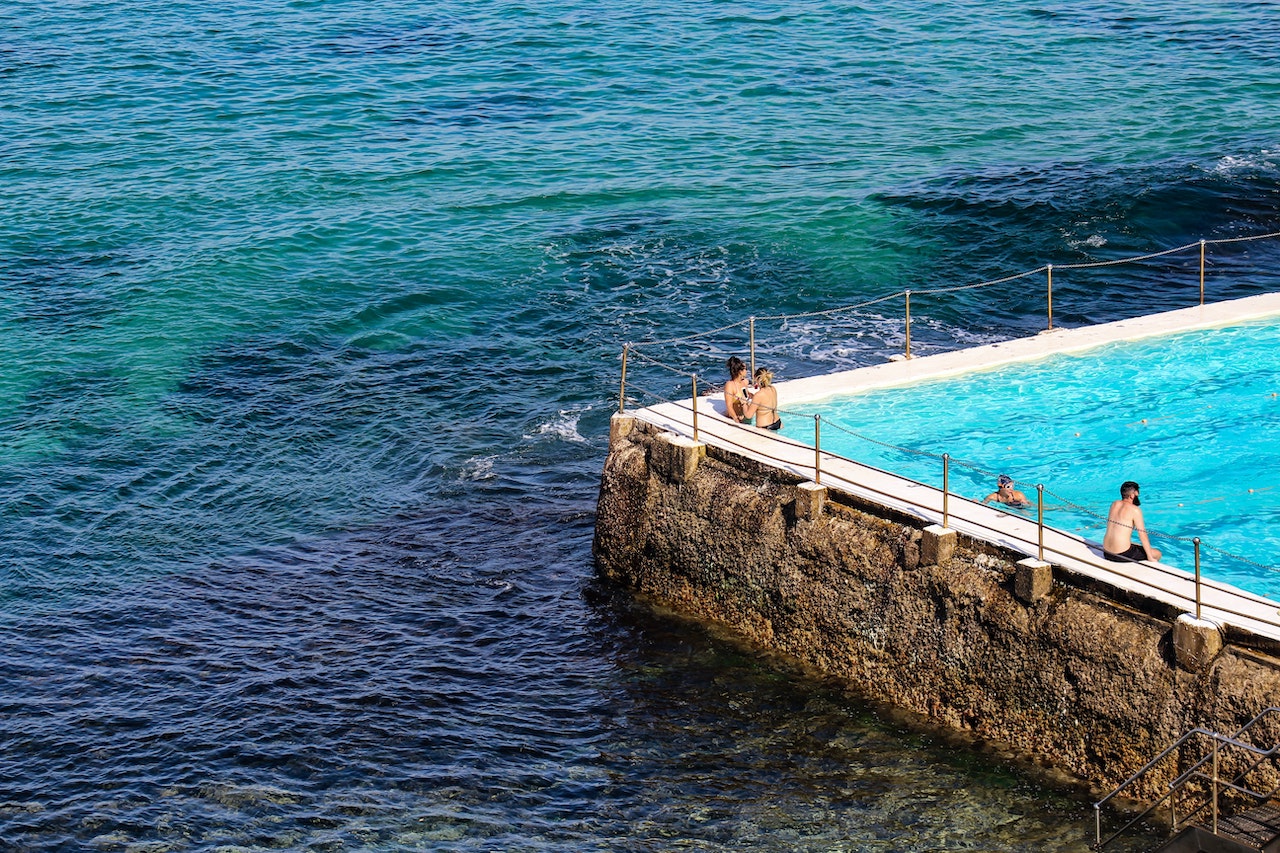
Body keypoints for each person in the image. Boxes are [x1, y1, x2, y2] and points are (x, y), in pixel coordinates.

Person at [1102, 480, 1162, 563]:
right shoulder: (1135, 510)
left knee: (1136, 544)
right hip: (1121, 555)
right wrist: (1150, 557)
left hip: (1106, 552)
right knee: (1157, 553)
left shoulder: (1114, 504)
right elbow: (1142, 535)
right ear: (1133, 495)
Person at [723, 356, 750, 423]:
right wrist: (736, 419)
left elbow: (747, 396)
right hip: (733, 417)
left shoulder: (745, 382)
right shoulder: (730, 385)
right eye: (745, 369)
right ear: (740, 372)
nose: (747, 371)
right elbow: (729, 406)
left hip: (745, 415)